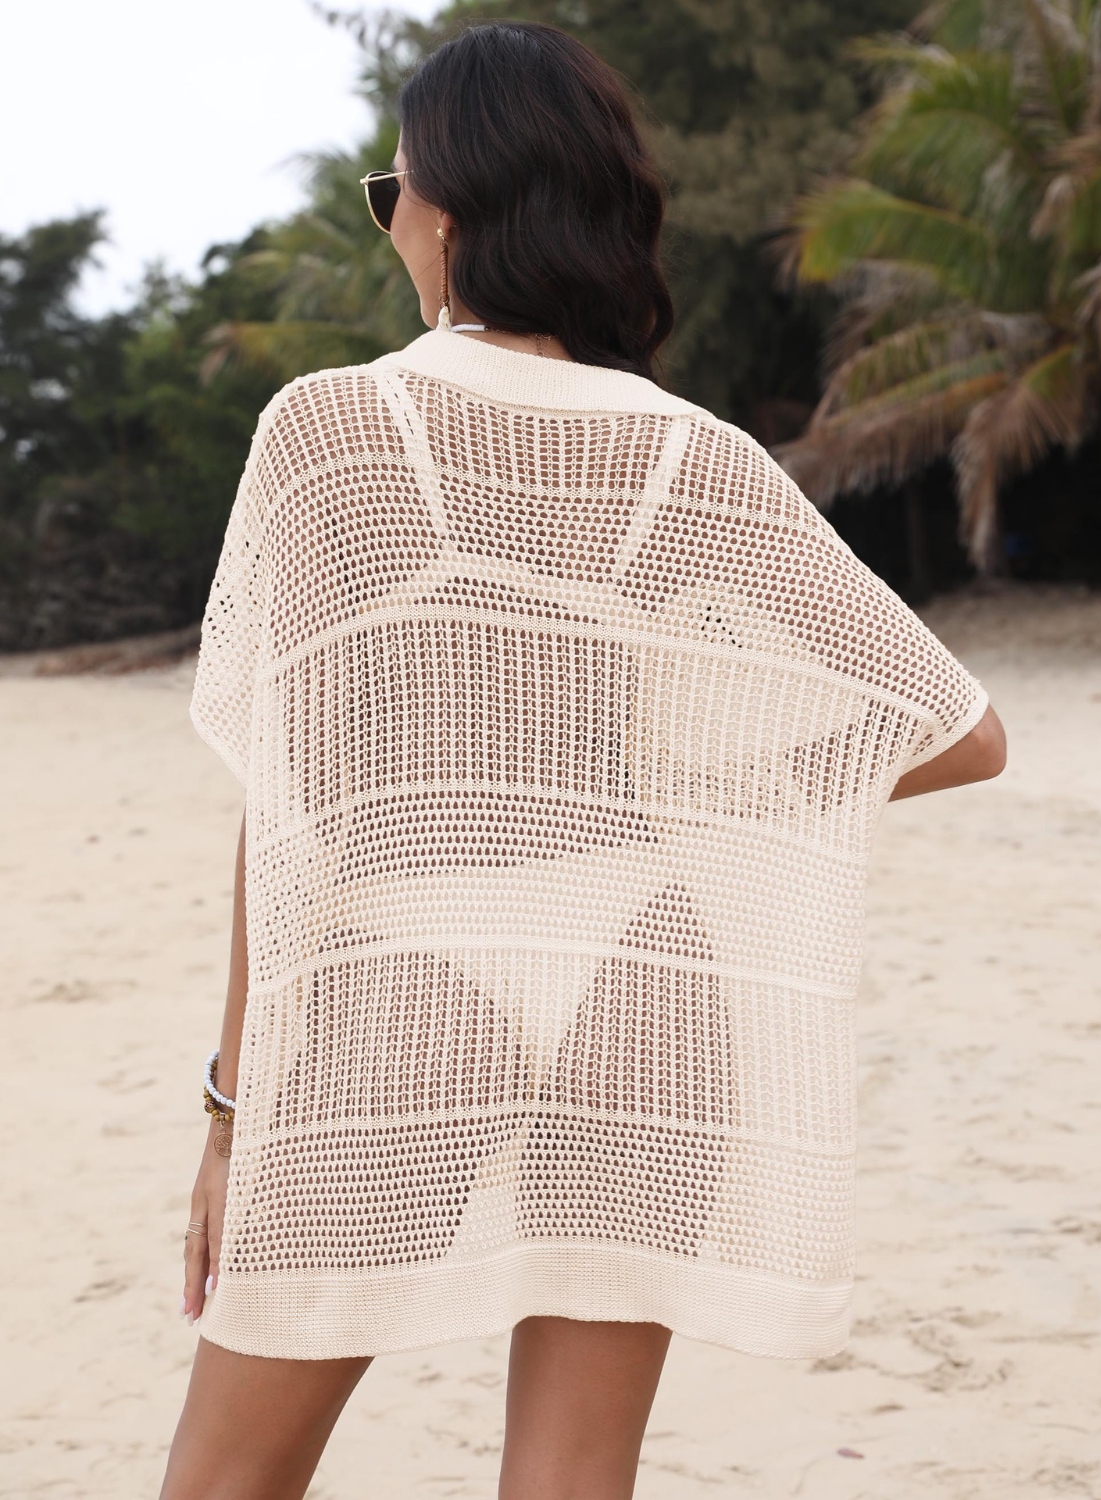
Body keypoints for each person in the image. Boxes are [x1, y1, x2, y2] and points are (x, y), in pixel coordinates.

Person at [160, 21, 1006, 1500]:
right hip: (645, 974)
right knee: (571, 1480)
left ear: (447, 210)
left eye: (390, 193)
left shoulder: (332, 429)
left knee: (227, 1483)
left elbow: (286, 804)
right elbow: (957, 729)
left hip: (412, 968)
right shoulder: (692, 454)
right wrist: (713, 804)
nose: (390, 226)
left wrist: (234, 1113)